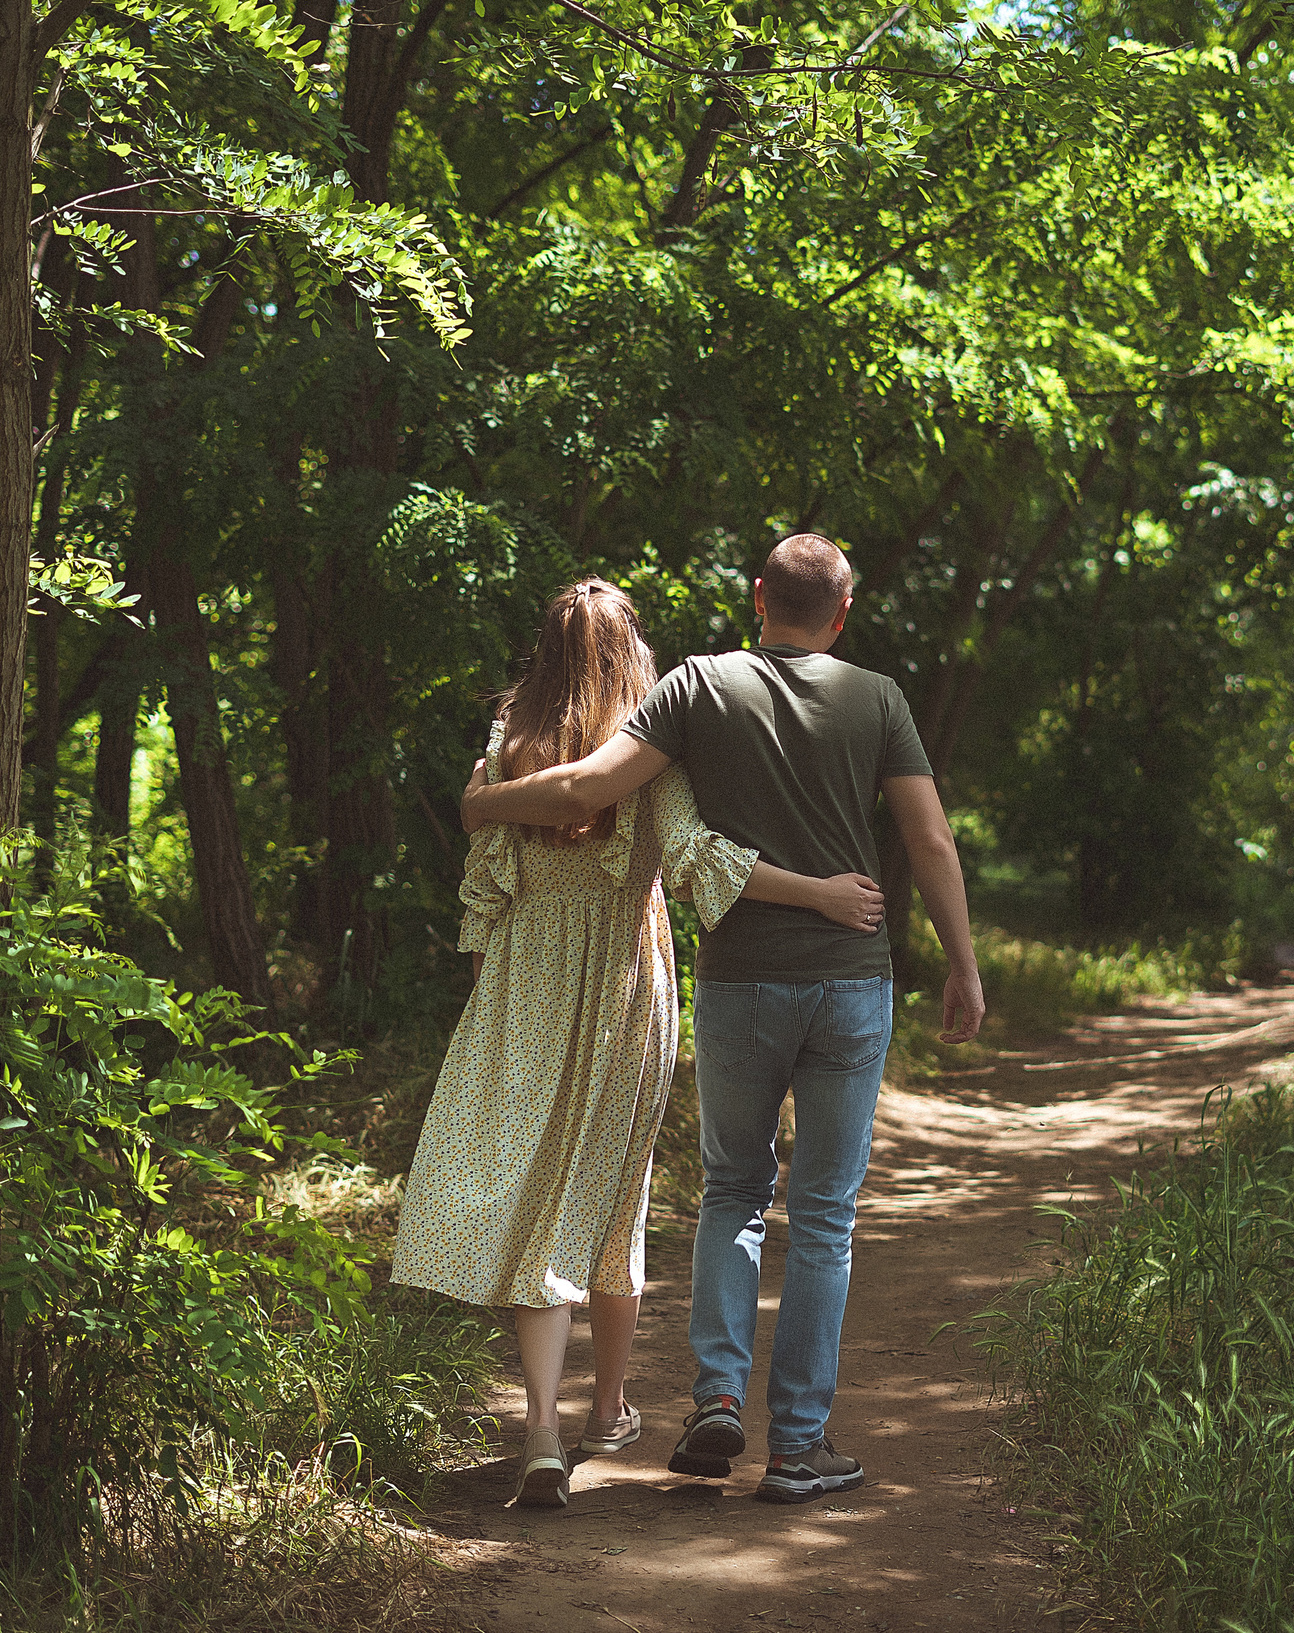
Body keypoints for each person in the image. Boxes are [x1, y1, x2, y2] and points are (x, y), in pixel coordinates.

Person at [463, 535, 985, 1506]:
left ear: (757, 597)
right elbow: (929, 838)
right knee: (823, 1214)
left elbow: (588, 788)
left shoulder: (698, 685)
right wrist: (961, 961)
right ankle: (797, 1449)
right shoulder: (878, 697)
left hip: (742, 981)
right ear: (843, 613)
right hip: (850, 983)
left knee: (734, 1191)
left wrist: (485, 800)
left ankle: (715, 1399)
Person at [389, 578, 888, 1510]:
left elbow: (484, 888)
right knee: (614, 1192)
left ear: (545, 650)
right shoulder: (655, 745)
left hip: (521, 982)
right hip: (625, 979)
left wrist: (492, 991)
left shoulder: (505, 747)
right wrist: (820, 893)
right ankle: (607, 1408)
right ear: (632, 653)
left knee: (535, 1186)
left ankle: (543, 1428)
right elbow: (699, 860)